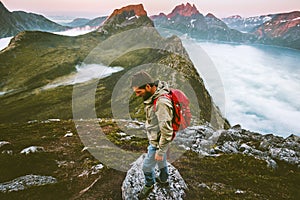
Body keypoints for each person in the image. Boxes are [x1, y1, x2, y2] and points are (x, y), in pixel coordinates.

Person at [131, 71, 173, 199]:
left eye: (139, 92)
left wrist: (159, 151)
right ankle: (164, 179)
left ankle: (149, 184)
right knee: (162, 161)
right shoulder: (153, 97)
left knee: (146, 167)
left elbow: (167, 131)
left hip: (157, 142)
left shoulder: (161, 103)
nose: (137, 95)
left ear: (148, 87)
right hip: (159, 140)